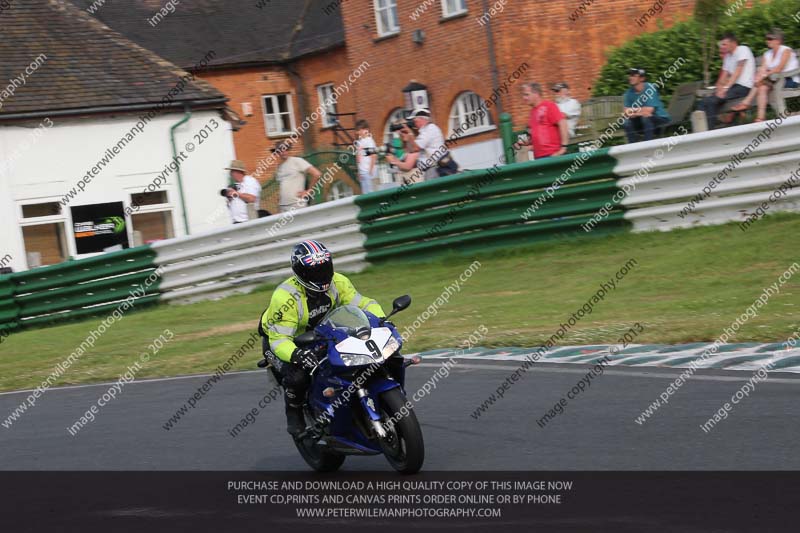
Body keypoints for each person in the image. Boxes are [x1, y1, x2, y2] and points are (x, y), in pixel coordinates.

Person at [259, 239, 389, 436]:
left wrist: (381, 320)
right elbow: (279, 340)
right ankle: (294, 410)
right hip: (282, 341)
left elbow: (364, 304)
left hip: (321, 333)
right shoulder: (285, 297)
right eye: (314, 272)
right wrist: (296, 355)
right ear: (300, 273)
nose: (321, 275)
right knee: (298, 375)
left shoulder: (339, 282)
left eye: (324, 267)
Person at [731, 28, 800, 122]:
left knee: (761, 82)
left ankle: (746, 102)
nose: (767, 41)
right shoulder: (767, 54)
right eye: (766, 38)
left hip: (788, 79)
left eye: (770, 39)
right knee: (762, 87)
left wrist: (764, 74)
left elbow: (779, 68)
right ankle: (760, 118)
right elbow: (763, 68)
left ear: (778, 40)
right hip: (772, 81)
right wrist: (760, 74)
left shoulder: (786, 50)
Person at [699, 32, 755, 129]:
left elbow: (738, 72)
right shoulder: (728, 57)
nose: (722, 47)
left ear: (733, 43)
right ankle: (703, 131)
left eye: (724, 44)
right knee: (704, 102)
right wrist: (719, 89)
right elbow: (723, 77)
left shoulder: (743, 50)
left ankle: (709, 132)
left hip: (744, 87)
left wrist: (725, 88)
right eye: (721, 44)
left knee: (712, 102)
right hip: (733, 88)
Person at [385, 108, 459, 178]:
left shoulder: (430, 129)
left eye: (414, 120)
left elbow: (416, 148)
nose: (413, 122)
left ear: (421, 119)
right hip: (434, 168)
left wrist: (409, 132)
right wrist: (406, 134)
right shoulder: (424, 131)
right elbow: (412, 150)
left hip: (438, 168)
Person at [622, 67, 671, 143]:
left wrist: (633, 111)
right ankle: (632, 147)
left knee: (646, 118)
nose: (630, 77)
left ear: (642, 78)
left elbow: (648, 111)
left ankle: (647, 145)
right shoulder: (629, 92)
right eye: (630, 75)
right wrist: (640, 111)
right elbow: (626, 112)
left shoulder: (650, 89)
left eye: (634, 75)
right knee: (626, 123)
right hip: (642, 120)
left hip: (660, 120)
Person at [521, 82, 569, 158]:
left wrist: (563, 148)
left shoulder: (549, 106)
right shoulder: (532, 112)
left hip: (553, 155)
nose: (524, 98)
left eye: (527, 94)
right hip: (539, 157)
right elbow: (538, 136)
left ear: (536, 93)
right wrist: (526, 145)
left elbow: (563, 124)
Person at [273, 143, 323, 213]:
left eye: (285, 149)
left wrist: (308, 191)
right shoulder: (279, 167)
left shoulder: (297, 161)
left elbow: (317, 174)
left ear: (289, 150)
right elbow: (281, 187)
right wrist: (278, 206)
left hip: (297, 205)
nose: (283, 152)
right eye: (280, 150)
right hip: (282, 207)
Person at [222, 160, 261, 224]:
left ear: (238, 172)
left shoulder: (250, 181)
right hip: (236, 221)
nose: (230, 174)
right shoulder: (234, 185)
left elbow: (251, 199)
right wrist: (229, 200)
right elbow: (230, 205)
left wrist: (236, 193)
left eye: (232, 171)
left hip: (249, 220)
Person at [354, 119, 378, 194]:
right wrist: (359, 172)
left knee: (372, 193)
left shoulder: (369, 141)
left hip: (368, 172)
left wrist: (370, 170)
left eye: (360, 130)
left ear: (366, 130)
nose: (358, 132)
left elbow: (373, 156)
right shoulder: (360, 142)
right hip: (363, 173)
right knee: (365, 194)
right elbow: (359, 159)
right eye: (358, 130)